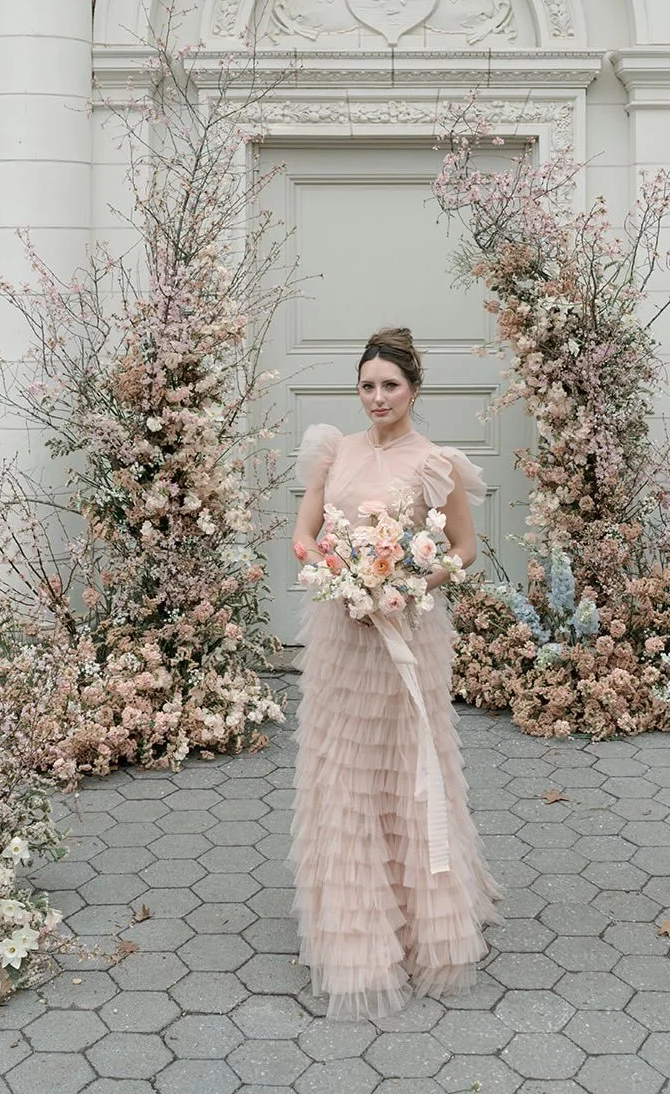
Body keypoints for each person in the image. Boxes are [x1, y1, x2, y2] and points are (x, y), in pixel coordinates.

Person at [289, 326, 502, 1020]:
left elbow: (465, 549)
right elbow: (303, 533)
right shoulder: (333, 450)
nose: (376, 397)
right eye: (366, 385)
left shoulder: (434, 464)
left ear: (412, 389)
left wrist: (408, 582)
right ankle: (354, 928)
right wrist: (341, 573)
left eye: (389, 385)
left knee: (412, 761)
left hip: (406, 629)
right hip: (342, 636)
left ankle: (427, 919)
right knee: (346, 768)